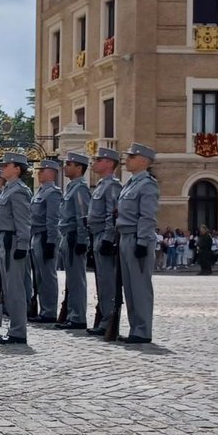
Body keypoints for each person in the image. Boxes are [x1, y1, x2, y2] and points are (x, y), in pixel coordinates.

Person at [113, 143, 159, 344]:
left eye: (132, 157)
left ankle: (143, 330)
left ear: (143, 161)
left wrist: (142, 241)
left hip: (137, 238)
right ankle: (135, 328)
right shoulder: (130, 183)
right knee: (130, 288)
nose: (127, 160)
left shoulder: (147, 185)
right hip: (125, 236)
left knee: (139, 286)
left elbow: (147, 216)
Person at [0, 152, 32, 345]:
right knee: (9, 288)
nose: (2, 168)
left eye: (6, 165)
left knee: (15, 288)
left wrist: (22, 245)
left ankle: (18, 331)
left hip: (13, 241)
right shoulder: (8, 189)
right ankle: (15, 328)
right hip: (4, 239)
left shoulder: (19, 191)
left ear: (17, 169)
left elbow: (23, 221)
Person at [86, 147, 122, 336]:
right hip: (96, 235)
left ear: (109, 163)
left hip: (104, 236)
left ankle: (108, 321)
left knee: (107, 281)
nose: (95, 163)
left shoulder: (112, 186)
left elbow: (112, 214)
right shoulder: (101, 185)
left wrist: (108, 238)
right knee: (101, 281)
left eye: (99, 160)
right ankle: (104, 318)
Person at [55, 151, 91, 330]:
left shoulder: (80, 188)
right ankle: (71, 314)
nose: (65, 167)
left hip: (74, 237)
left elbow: (83, 216)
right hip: (67, 236)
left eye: (69, 164)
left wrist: (82, 240)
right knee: (71, 279)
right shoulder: (71, 187)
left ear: (79, 168)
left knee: (76, 279)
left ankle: (78, 317)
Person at [29, 159, 62, 324]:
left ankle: (49, 311)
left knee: (48, 275)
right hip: (36, 235)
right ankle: (43, 309)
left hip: (45, 237)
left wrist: (51, 241)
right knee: (39, 276)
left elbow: (53, 219)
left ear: (52, 173)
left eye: (43, 170)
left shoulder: (53, 193)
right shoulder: (40, 192)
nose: (39, 173)